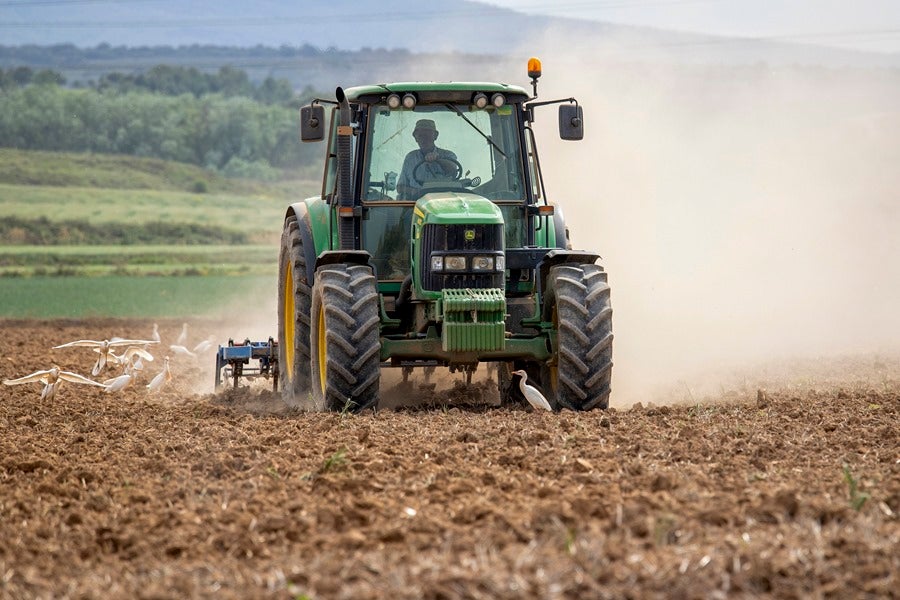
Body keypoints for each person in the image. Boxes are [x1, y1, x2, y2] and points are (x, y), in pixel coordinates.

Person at [396, 119, 459, 200]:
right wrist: (415, 191)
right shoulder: (410, 158)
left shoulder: (448, 155)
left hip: (443, 201)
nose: (423, 140)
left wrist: (439, 159)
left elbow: (453, 171)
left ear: (435, 136)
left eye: (427, 136)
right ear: (416, 138)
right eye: (420, 136)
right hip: (416, 203)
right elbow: (400, 187)